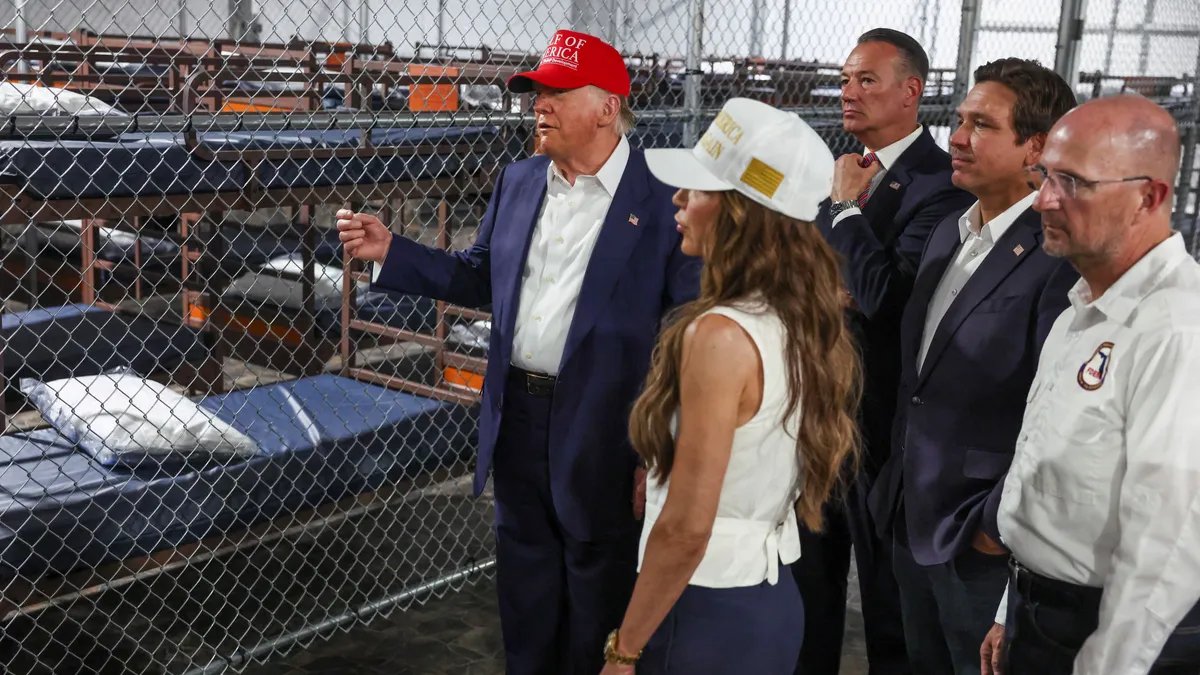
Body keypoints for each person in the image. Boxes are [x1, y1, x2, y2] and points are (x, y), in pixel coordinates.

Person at [337, 29, 701, 675]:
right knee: (527, 585)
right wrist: (392, 250)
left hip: (611, 423)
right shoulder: (521, 179)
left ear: (607, 107)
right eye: (537, 93)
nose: (540, 105)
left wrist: (661, 446)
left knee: (598, 581)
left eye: (558, 93)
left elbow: (682, 330)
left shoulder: (665, 193)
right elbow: (479, 274)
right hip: (519, 414)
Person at [596, 97, 861, 675]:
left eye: (698, 188)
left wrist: (624, 650)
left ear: (741, 211)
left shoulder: (719, 335)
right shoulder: (797, 318)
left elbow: (688, 527)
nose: (679, 199)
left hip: (701, 613)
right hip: (768, 601)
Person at [867, 58, 1078, 675]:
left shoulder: (1056, 254)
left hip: (980, 542)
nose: (956, 137)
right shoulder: (952, 233)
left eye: (982, 125)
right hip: (912, 516)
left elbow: (1056, 413)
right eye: (959, 120)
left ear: (1036, 147)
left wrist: (990, 529)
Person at [979, 95, 1200, 675]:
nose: (1045, 200)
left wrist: (1110, 664)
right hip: (1044, 613)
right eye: (1045, 175)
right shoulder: (1082, 306)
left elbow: (1170, 540)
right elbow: (1052, 478)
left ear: (1148, 198)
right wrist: (1014, 606)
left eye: (1074, 182)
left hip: (1115, 635)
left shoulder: (1177, 329)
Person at [796, 27, 973, 675]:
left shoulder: (943, 186)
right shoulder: (839, 169)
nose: (848, 93)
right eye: (844, 80)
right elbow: (817, 285)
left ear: (911, 91)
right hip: (817, 422)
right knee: (808, 601)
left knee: (888, 615)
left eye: (866, 80)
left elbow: (883, 296)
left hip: (883, 432)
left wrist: (844, 215)